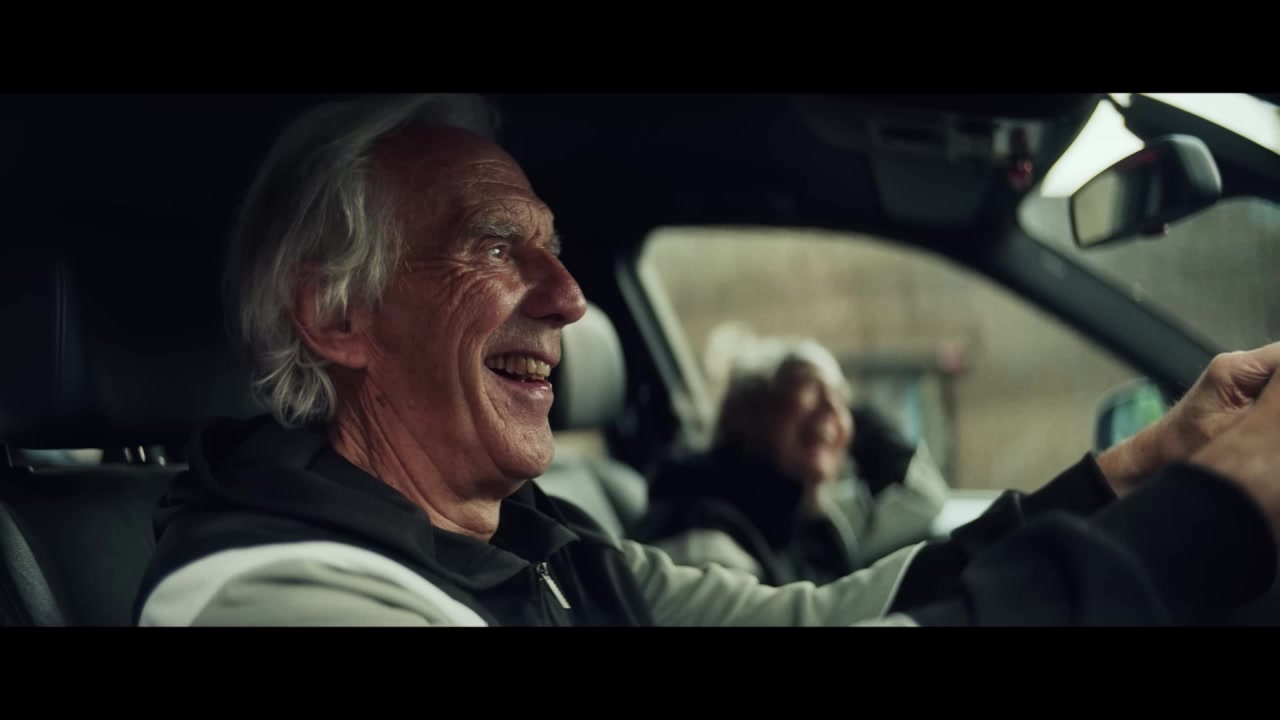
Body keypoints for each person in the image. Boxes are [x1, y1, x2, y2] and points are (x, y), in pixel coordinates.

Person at [134, 94, 1280, 627]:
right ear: (336, 315)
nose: (568, 297)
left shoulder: (544, 554)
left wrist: (1147, 464)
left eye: (556, 250)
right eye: (493, 247)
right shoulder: (275, 598)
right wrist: (1204, 522)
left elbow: (823, 620)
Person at [637, 333, 948, 585]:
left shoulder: (806, 520)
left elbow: (924, 499)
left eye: (842, 398)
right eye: (809, 385)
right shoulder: (701, 530)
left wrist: (838, 423)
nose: (832, 407)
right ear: (748, 409)